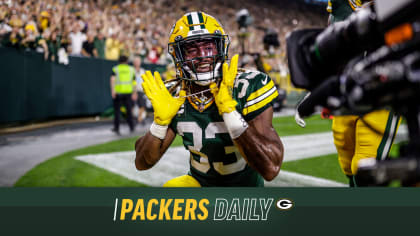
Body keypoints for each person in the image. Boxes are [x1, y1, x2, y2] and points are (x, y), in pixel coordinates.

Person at [135, 12, 284, 187]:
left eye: (209, 47)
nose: (203, 55)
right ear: (178, 55)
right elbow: (142, 162)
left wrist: (231, 114)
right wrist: (159, 124)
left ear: (221, 48)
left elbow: (270, 168)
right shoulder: (175, 94)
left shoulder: (247, 86)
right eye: (191, 50)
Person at [327, 0, 401, 187]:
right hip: (348, 90)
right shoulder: (339, 8)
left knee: (366, 164)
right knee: (347, 161)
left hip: (382, 91)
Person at [110, 55, 137, 135]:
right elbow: (134, 82)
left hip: (118, 93)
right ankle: (131, 126)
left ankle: (116, 128)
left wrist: (113, 91)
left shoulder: (115, 69)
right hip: (128, 93)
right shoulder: (131, 69)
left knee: (117, 112)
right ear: (127, 61)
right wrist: (134, 92)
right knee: (129, 111)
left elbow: (112, 80)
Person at [133, 56, 147, 124]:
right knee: (134, 106)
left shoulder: (142, 71)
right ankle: (137, 119)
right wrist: (134, 92)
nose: (137, 63)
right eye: (136, 61)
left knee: (143, 105)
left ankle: (139, 118)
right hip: (133, 91)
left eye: (138, 61)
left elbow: (145, 80)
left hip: (141, 91)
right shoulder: (132, 70)